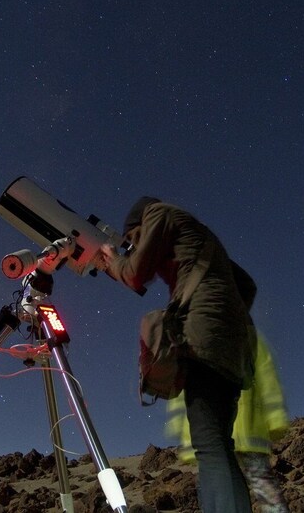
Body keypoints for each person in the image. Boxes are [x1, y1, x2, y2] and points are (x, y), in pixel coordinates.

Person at [99, 196, 256, 513]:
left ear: (140, 224)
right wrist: (223, 315)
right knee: (217, 443)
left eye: (133, 239)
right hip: (232, 346)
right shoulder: (201, 238)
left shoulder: (159, 213)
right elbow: (247, 286)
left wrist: (112, 259)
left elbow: (134, 273)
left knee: (210, 444)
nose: (133, 246)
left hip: (203, 341)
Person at [166, 329, 290, 513]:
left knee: (221, 485)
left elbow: (267, 378)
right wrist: (275, 419)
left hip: (241, 432)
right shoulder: (244, 334)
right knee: (248, 485)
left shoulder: (194, 339)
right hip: (244, 431)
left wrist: (275, 418)